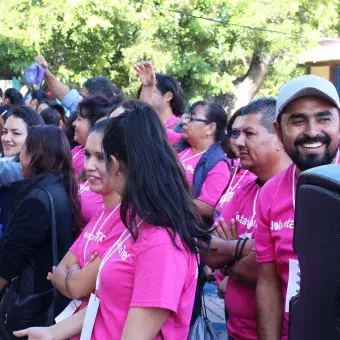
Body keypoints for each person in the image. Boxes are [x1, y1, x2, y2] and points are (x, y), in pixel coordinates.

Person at [14, 105, 210, 340]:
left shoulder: (162, 241)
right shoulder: (136, 223)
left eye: (101, 157)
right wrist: (52, 333)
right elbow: (106, 304)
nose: (89, 167)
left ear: (115, 164)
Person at [255, 75, 340, 340]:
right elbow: (268, 282)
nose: (312, 131)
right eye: (298, 121)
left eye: (324, 119)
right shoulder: (270, 192)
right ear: (279, 131)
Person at [203, 97, 292, 340]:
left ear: (278, 137)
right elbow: (207, 247)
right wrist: (244, 252)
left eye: (249, 133)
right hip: (234, 330)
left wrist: (229, 258)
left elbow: (267, 268)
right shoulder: (246, 190)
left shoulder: (296, 192)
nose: (237, 142)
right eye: (235, 133)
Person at [0, 126, 82, 338]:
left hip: (30, 305)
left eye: (23, 151)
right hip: (52, 299)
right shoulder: (62, 187)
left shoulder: (37, 199)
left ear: (35, 156)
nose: (20, 159)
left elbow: (9, 262)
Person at [46, 120, 121, 340]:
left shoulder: (127, 221)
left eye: (100, 157)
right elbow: (58, 271)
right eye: (87, 155)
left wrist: (72, 274)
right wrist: (76, 275)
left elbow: (78, 287)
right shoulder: (100, 214)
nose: (89, 165)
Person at [0, 106, 45, 234]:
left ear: (35, 138)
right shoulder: (12, 161)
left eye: (16, 133)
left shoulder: (36, 171)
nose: (6, 138)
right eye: (4, 132)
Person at [35, 56, 123, 113]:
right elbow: (64, 94)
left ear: (98, 99)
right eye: (81, 97)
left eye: (84, 98)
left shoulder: (114, 120)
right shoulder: (84, 108)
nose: (81, 101)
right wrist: (45, 71)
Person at [135, 61, 185, 130]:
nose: (146, 94)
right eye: (145, 90)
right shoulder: (140, 125)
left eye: (151, 90)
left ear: (168, 96)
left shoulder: (182, 130)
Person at [72, 96, 112, 178]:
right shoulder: (78, 149)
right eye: (87, 154)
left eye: (79, 119)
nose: (74, 123)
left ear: (95, 124)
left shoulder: (89, 163)